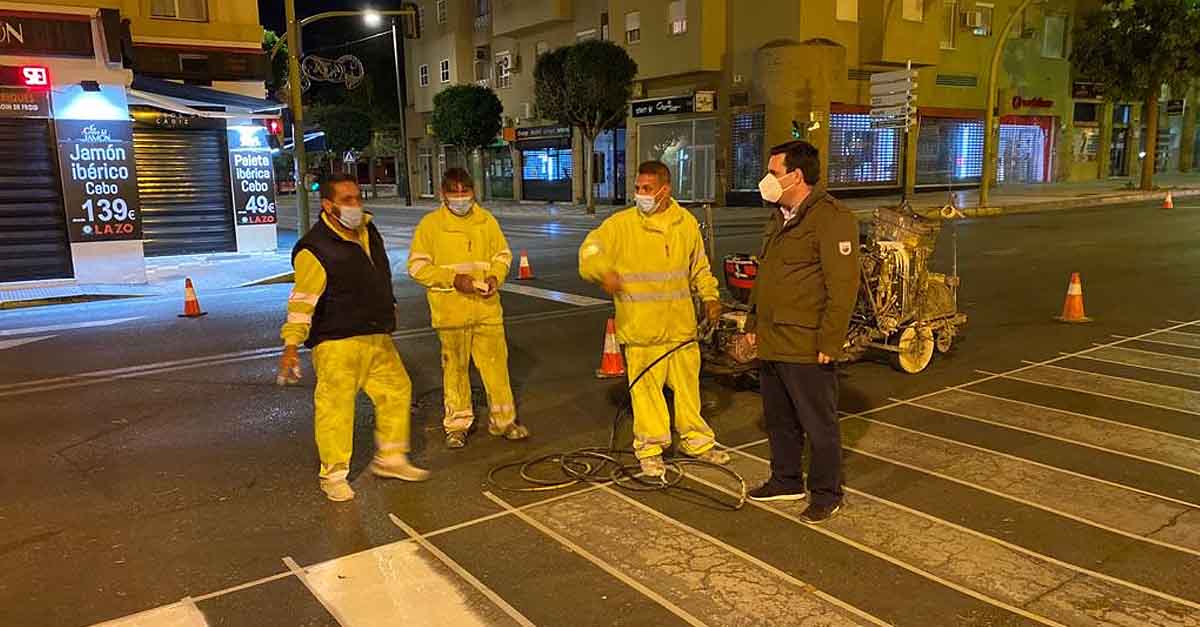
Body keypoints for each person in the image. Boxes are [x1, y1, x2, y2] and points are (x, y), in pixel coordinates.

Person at [277, 173, 429, 502]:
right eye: (347, 200)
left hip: (376, 334)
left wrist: (389, 305)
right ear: (327, 205)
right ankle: (333, 474)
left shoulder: (367, 231)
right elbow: (302, 302)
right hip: (337, 341)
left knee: (397, 390)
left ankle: (390, 458)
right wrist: (291, 344)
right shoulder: (314, 248)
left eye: (357, 198)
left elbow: (378, 274)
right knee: (336, 408)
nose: (355, 205)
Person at [579, 160, 730, 478]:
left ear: (665, 189)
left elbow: (699, 268)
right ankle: (650, 448)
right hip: (641, 328)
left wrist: (710, 296)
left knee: (689, 389)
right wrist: (602, 272)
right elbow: (589, 251)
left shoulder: (685, 223)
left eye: (647, 189)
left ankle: (697, 441)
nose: (640, 195)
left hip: (680, 328)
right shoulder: (621, 225)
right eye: (637, 188)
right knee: (646, 393)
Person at [745, 140, 860, 524]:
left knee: (818, 423)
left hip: (807, 343)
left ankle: (827, 493)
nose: (767, 179)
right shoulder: (779, 216)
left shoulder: (832, 219)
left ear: (796, 175)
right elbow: (767, 277)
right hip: (773, 339)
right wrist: (751, 326)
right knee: (779, 419)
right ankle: (785, 480)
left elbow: (842, 286)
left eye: (774, 171)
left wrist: (830, 341)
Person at [408, 168, 530, 449]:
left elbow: (502, 255)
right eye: (455, 192)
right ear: (443, 194)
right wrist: (453, 280)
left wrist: (495, 277)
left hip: (486, 309)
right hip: (451, 313)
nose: (461, 198)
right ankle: (457, 425)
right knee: (455, 371)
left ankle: (504, 421)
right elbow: (417, 267)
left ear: (474, 192)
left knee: (496, 368)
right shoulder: (431, 225)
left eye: (466, 192)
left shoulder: (486, 221)